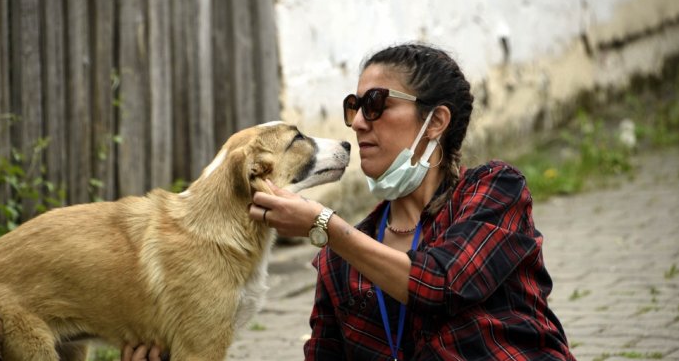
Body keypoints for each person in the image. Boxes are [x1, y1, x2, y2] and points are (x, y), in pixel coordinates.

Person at [125, 42, 575, 360]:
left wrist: (325, 226)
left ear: (436, 120)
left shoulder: (494, 191)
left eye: (376, 103)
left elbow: (440, 285)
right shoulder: (343, 256)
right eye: (354, 105)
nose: (358, 122)